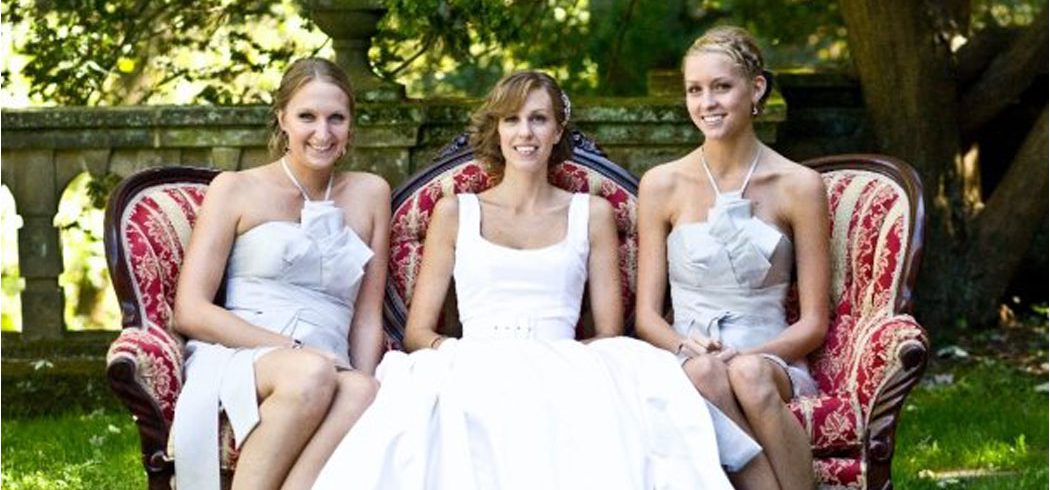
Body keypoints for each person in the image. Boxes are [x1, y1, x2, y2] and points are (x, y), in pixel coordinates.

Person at [313, 71, 758, 490]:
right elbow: (418, 332)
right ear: (498, 129)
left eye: (539, 119)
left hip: (564, 357)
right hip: (472, 358)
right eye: (512, 120)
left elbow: (606, 331)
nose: (525, 133)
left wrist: (542, 362)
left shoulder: (593, 213)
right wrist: (467, 355)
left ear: (558, 130)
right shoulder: (455, 212)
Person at [171, 57, 389, 490]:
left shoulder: (370, 193)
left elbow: (367, 314)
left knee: (362, 392)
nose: (322, 133)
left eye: (336, 118)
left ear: (351, 126)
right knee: (309, 373)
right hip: (245, 353)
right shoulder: (235, 189)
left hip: (330, 362)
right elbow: (190, 310)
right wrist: (291, 348)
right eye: (307, 116)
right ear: (282, 119)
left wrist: (362, 373)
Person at [635, 25, 831, 489]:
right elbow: (646, 316)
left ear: (756, 87)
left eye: (722, 87)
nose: (708, 103)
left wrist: (749, 353)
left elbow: (814, 323)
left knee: (746, 375)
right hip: (687, 352)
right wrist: (687, 347)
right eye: (695, 90)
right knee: (706, 372)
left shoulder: (799, 185)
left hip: (770, 356)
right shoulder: (661, 184)